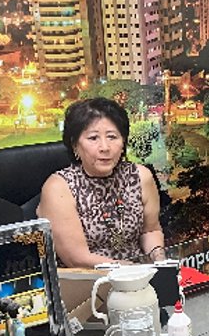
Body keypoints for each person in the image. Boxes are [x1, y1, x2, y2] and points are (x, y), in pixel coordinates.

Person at [37, 97, 165, 267]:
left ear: (123, 142)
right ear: (75, 145)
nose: (105, 147)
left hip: (140, 278)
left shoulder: (141, 176)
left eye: (112, 137)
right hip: (88, 282)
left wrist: (159, 260)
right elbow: (76, 258)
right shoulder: (59, 187)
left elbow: (150, 230)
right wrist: (133, 271)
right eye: (93, 138)